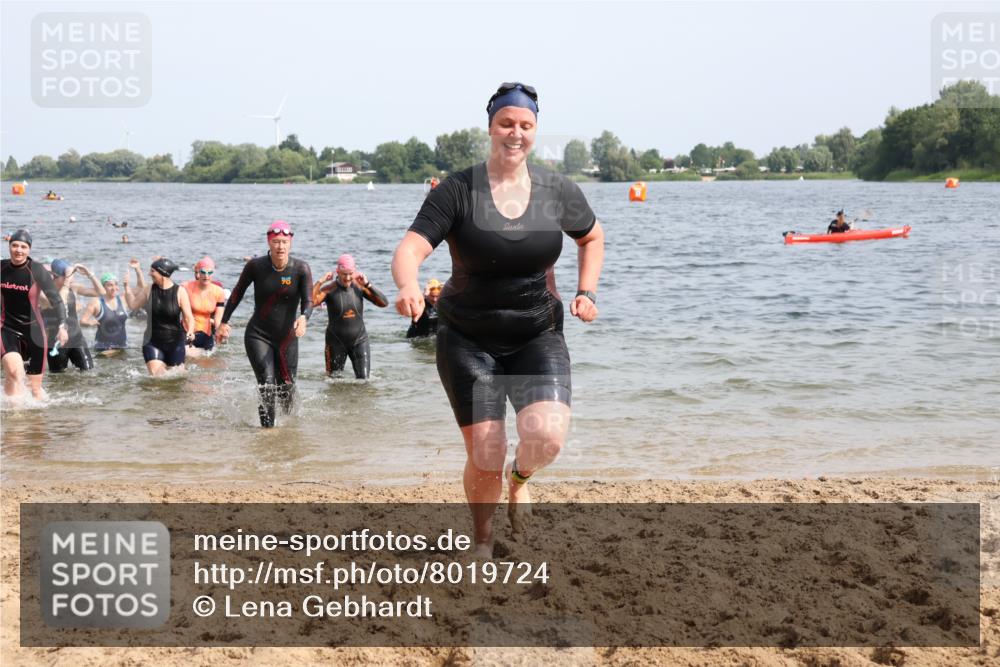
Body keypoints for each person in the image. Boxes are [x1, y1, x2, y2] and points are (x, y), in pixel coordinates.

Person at [391, 82, 605, 556]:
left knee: (546, 437)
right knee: (486, 453)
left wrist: (586, 291)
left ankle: (522, 478)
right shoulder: (458, 190)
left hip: (537, 333)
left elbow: (591, 237)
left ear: (535, 130)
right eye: (506, 123)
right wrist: (408, 284)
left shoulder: (556, 190)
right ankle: (483, 540)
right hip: (469, 337)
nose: (516, 133)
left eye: (525, 125)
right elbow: (410, 249)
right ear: (490, 127)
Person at [217, 221, 313, 427]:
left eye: (284, 242)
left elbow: (308, 300)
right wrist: (223, 322)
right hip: (258, 335)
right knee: (267, 385)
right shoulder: (255, 266)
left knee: (286, 387)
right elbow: (236, 294)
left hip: (287, 337)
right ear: (269, 242)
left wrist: (304, 317)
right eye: (276, 242)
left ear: (290, 243)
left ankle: (288, 426)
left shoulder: (301, 269)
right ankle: (267, 431)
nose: (280, 246)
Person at [1, 230, 68, 399]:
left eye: (23, 246)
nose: (19, 250)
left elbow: (57, 301)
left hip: (35, 332)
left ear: (29, 249)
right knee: (15, 372)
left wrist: (62, 326)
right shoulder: (1, 267)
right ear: (9, 246)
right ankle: (15, 416)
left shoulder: (37, 270)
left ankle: (32, 422)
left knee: (35, 389)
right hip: (6, 328)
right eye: (15, 245)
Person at [312, 253, 388, 379]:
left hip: (360, 340)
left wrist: (368, 284)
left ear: (355, 271)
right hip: (335, 342)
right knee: (333, 383)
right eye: (344, 274)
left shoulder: (360, 287)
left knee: (364, 381)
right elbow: (310, 302)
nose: (347, 278)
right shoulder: (329, 289)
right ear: (337, 272)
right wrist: (320, 281)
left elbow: (384, 303)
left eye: (350, 273)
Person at [128, 258, 195, 375]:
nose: (149, 274)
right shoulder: (149, 289)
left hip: (175, 342)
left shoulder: (180, 291)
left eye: (153, 271)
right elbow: (133, 306)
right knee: (157, 377)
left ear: (163, 273)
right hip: (152, 341)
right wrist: (126, 288)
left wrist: (190, 331)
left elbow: (189, 317)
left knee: (176, 377)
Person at [40, 259, 105, 372]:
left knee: (89, 373)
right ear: (55, 276)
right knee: (58, 380)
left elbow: (101, 292)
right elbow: (60, 301)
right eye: (67, 276)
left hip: (77, 339)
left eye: (71, 275)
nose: (71, 279)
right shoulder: (44, 293)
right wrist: (67, 282)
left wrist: (90, 274)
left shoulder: (72, 287)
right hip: (56, 343)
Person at [81, 270, 132, 355]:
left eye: (116, 284)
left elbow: (139, 293)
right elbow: (82, 321)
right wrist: (89, 322)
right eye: (110, 285)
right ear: (103, 287)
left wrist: (127, 285)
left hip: (122, 346)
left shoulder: (123, 299)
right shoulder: (96, 303)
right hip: (103, 348)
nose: (114, 288)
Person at [183, 256, 225, 357]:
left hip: (206, 333)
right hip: (187, 330)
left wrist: (220, 331)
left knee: (206, 362)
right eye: (203, 272)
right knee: (187, 354)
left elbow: (218, 318)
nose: (206, 276)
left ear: (213, 273)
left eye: (209, 273)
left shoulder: (219, 291)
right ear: (198, 273)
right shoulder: (185, 287)